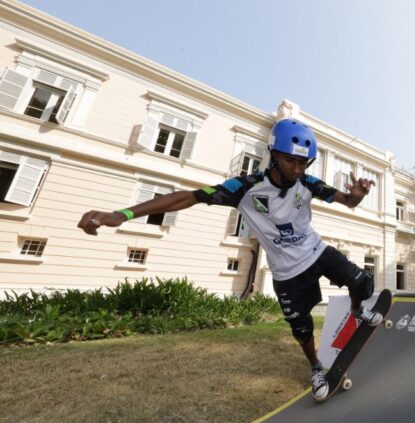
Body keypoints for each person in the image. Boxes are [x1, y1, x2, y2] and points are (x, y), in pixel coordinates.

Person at [77, 118, 382, 401]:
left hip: (316, 252)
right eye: (290, 161)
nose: (297, 170)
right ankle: (316, 367)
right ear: (274, 155)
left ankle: (356, 310)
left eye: (304, 163)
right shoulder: (245, 187)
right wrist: (122, 214)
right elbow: (187, 196)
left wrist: (357, 195)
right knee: (301, 329)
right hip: (286, 272)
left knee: (362, 283)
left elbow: (348, 202)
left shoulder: (309, 183)